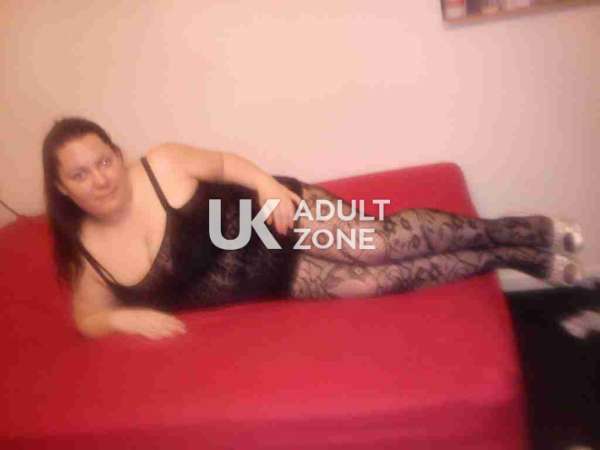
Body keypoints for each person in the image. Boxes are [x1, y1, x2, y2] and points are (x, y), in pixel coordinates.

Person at [43, 117, 585, 340]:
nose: (100, 179)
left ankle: (523, 229)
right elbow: (87, 316)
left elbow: (226, 165)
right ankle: (516, 256)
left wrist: (267, 187)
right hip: (269, 279)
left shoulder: (161, 164)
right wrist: (123, 318)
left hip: (273, 219)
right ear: (63, 188)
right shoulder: (87, 254)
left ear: (117, 153)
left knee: (378, 246)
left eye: (103, 161)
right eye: (80, 174)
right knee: (373, 283)